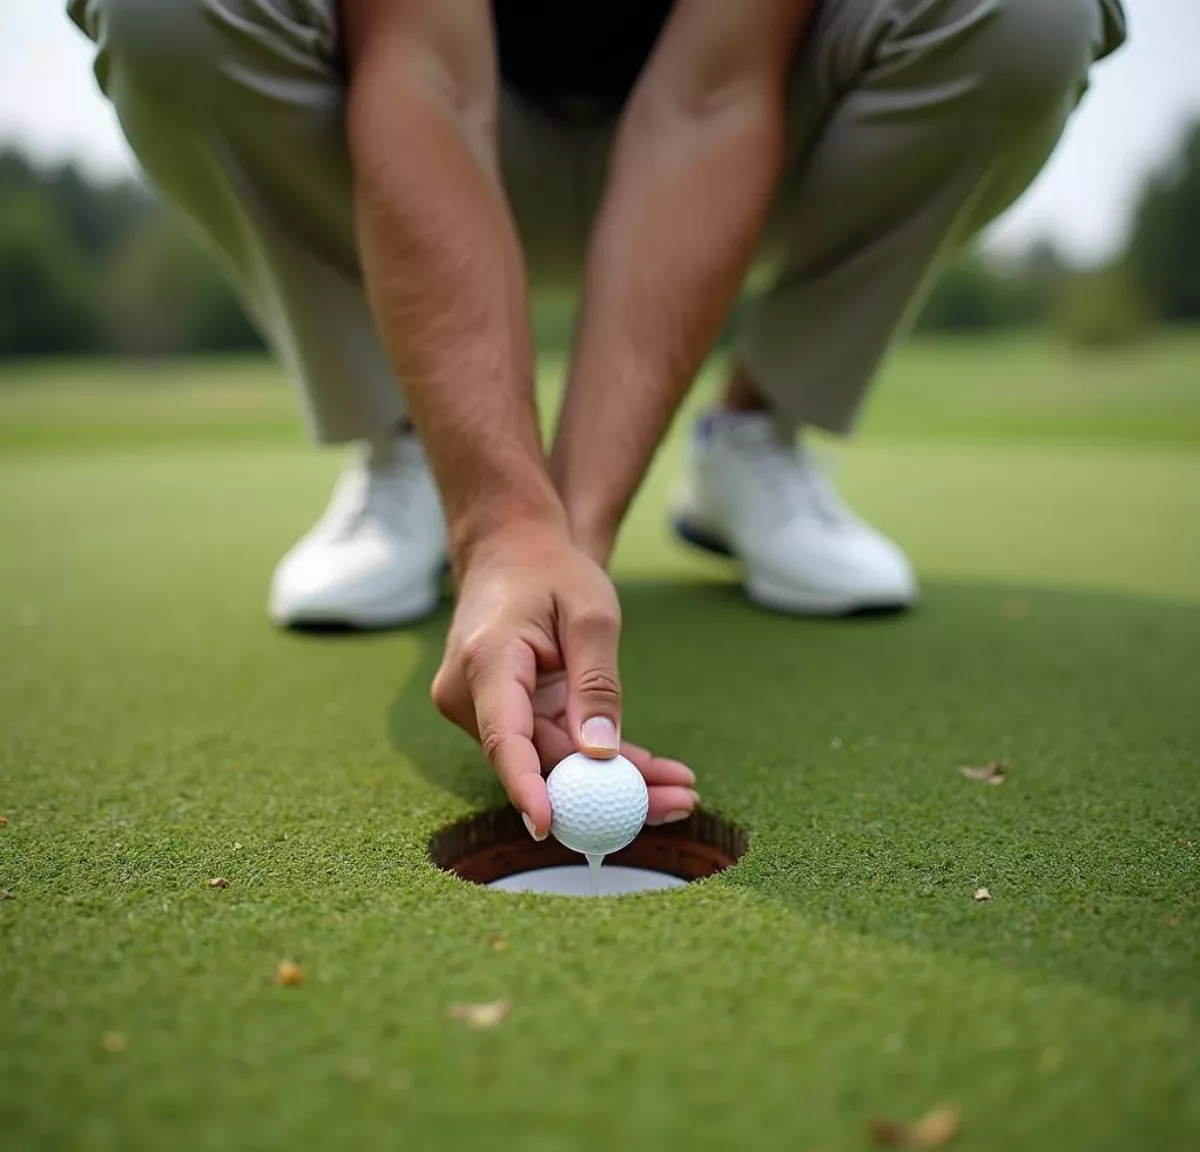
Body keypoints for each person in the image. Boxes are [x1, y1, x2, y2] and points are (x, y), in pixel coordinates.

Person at [70, 0, 1125, 838]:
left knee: (1027, 13)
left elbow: (710, 98)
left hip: (768, 132)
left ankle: (753, 432)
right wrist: (498, 522)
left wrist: (565, 545)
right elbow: (426, 76)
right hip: (433, 124)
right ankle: (407, 447)